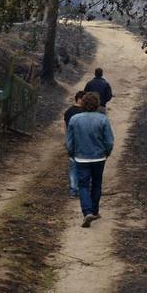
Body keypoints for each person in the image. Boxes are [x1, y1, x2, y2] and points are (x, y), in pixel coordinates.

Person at [65, 92, 114, 227]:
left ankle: (87, 212)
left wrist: (71, 153)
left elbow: (69, 141)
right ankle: (95, 210)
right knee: (97, 184)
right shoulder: (103, 119)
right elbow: (109, 141)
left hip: (81, 157)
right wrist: (107, 152)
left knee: (83, 185)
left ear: (83, 103)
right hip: (99, 157)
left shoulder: (75, 119)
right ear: (97, 104)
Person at [63, 91, 86, 198]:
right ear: (79, 99)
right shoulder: (84, 112)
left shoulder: (68, 112)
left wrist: (66, 140)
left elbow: (66, 128)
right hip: (82, 141)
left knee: (73, 166)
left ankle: (73, 189)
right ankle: (82, 188)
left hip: (71, 141)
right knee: (83, 166)